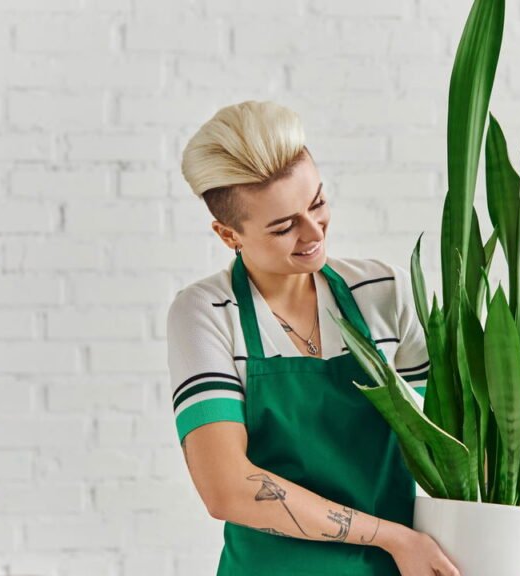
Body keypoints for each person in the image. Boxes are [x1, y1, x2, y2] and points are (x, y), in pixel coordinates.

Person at [168, 100, 463, 576]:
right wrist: (392, 537)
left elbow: (454, 435)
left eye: (318, 203)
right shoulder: (207, 313)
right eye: (284, 226)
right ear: (228, 235)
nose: (313, 233)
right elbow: (226, 487)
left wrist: (515, 515)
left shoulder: (382, 291)